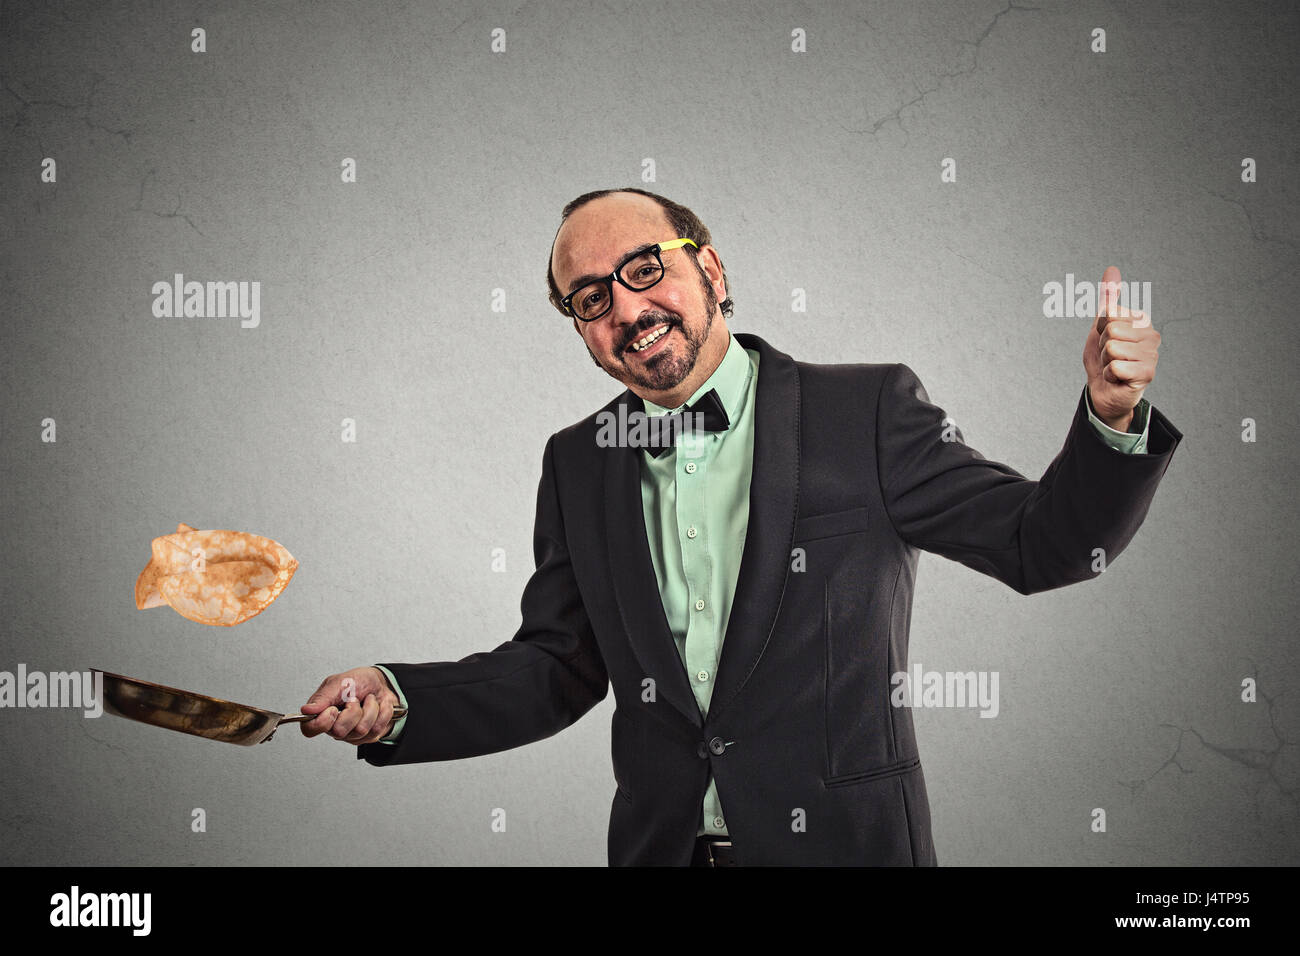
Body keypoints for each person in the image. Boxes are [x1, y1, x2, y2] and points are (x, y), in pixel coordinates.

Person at [300, 187, 1181, 866]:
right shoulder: (577, 460)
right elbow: (555, 670)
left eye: (646, 269)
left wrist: (1110, 413)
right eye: (590, 298)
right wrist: (398, 700)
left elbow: (1046, 544)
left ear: (711, 271)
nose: (627, 308)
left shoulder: (865, 411)